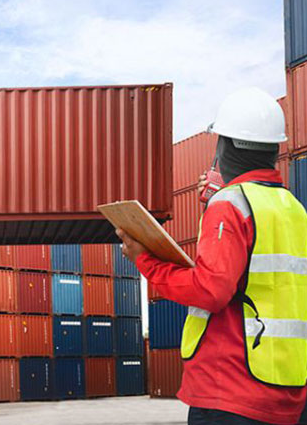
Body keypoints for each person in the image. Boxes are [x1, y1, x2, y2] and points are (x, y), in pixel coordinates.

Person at [117, 88, 307, 425]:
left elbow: (210, 290)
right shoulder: (294, 209)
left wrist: (144, 259)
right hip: (286, 389)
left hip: (231, 391)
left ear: (224, 146)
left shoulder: (229, 205)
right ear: (274, 149)